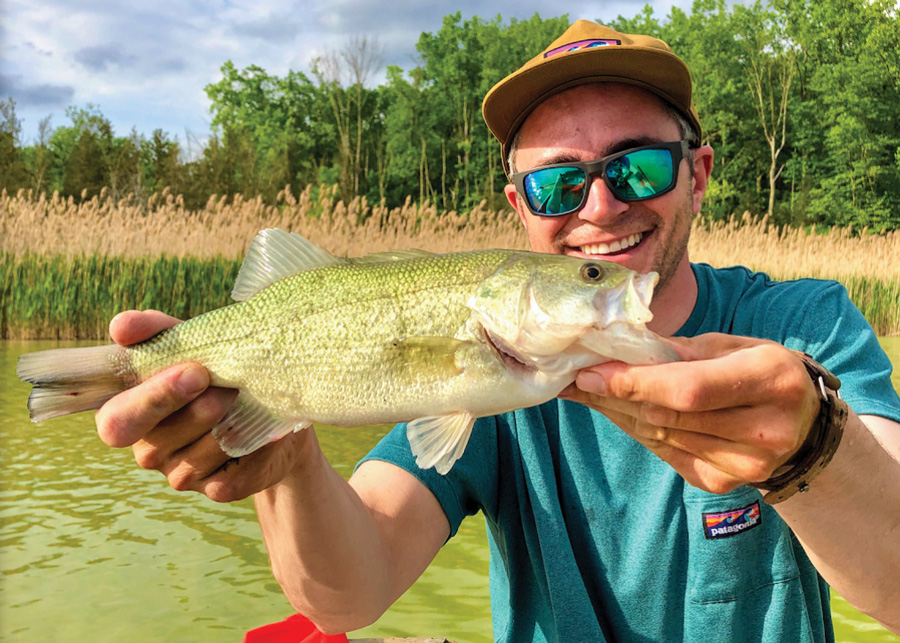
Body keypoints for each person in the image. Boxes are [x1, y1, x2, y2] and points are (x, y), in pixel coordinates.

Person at [95, 20, 900, 642]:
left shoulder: (804, 324)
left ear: (697, 173)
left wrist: (815, 452)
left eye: (639, 168)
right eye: (556, 183)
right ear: (520, 209)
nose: (601, 207)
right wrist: (289, 461)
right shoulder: (494, 382)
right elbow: (349, 591)